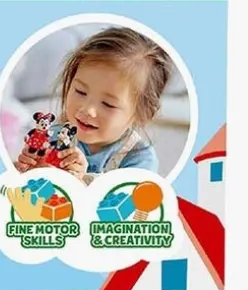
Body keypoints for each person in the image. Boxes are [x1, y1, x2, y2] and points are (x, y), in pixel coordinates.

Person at [14, 26, 171, 181]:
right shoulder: (53, 137)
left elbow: (124, 197)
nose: (87, 109)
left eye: (108, 104)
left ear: (142, 115)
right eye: (80, 92)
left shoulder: (140, 161)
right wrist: (27, 172)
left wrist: (78, 182)